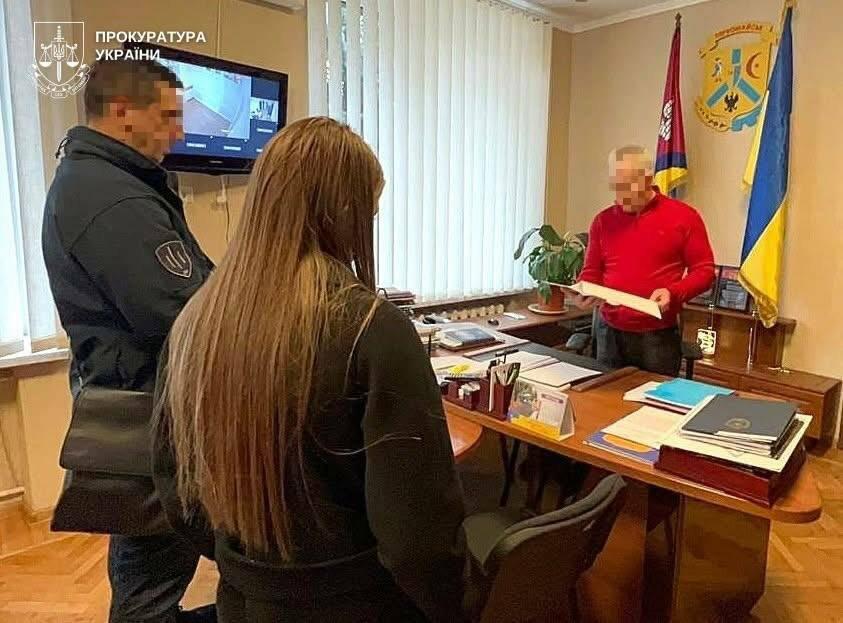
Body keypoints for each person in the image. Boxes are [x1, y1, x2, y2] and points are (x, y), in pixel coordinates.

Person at [152, 117, 468, 622]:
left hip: (242, 601)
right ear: (346, 213)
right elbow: (417, 537)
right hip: (357, 606)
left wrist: (250, 567)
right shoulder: (373, 329)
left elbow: (177, 487)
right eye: (369, 212)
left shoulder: (196, 321)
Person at [42, 59, 215, 622]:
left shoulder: (104, 182)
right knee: (152, 574)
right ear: (122, 112)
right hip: (150, 416)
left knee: (145, 561)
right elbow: (182, 314)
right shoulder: (113, 199)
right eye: (167, 116)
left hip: (143, 406)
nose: (179, 132)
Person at [572, 145, 715, 376]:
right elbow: (592, 271)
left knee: (655, 397)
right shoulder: (603, 221)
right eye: (617, 187)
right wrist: (584, 290)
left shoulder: (684, 217)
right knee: (605, 396)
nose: (621, 196)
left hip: (657, 335)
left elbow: (704, 271)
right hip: (609, 332)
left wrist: (673, 293)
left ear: (648, 180)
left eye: (628, 187)